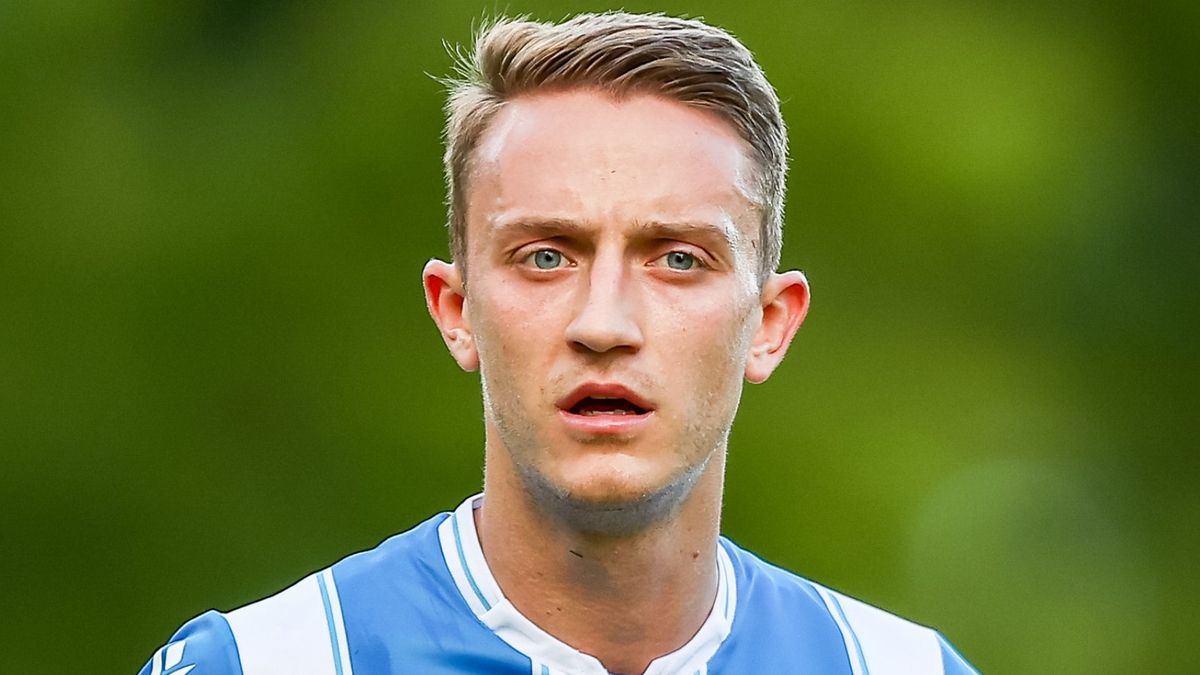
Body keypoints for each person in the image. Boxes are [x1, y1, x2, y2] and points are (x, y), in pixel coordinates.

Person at [140, 12, 977, 675]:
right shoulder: (268, 663)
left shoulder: (902, 667)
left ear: (768, 325)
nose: (603, 324)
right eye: (546, 256)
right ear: (456, 308)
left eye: (677, 258)